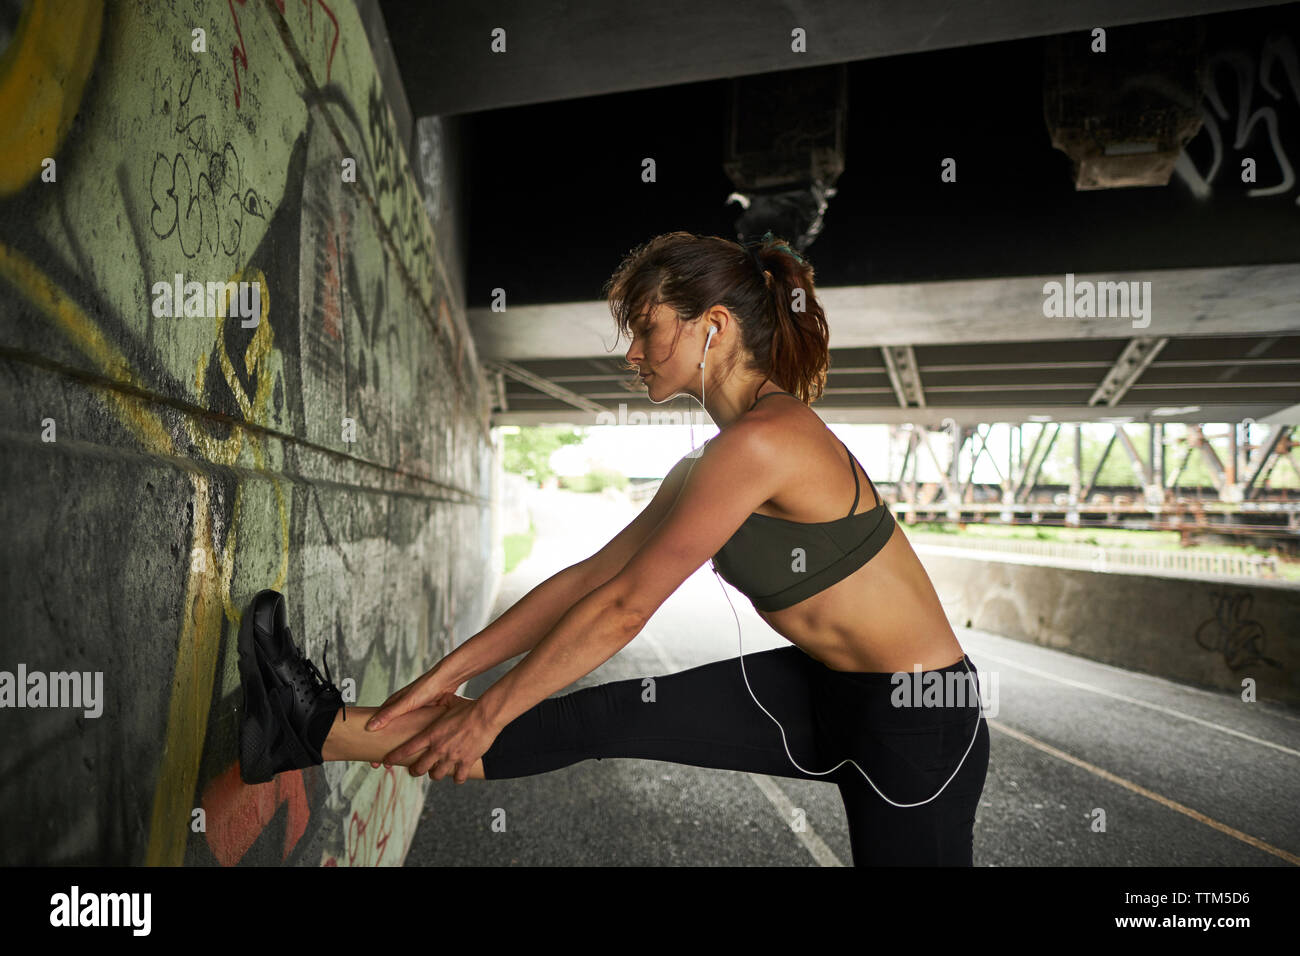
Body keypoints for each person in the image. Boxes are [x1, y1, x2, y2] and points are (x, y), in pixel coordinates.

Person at [237, 230, 990, 866]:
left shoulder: (767, 443)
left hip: (918, 715)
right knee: (599, 719)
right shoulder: (710, 462)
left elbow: (626, 609)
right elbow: (590, 579)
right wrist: (449, 675)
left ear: (714, 326)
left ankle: (315, 729)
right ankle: (311, 731)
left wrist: (488, 713)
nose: (633, 351)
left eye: (648, 327)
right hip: (824, 686)